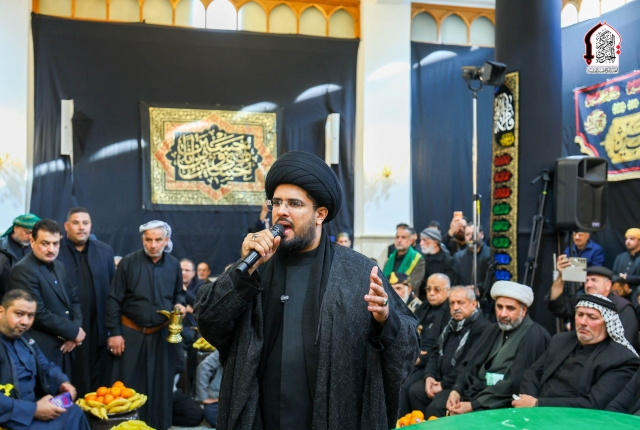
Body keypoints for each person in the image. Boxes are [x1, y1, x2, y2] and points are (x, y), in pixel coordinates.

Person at [194, 151, 420, 430]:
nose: (281, 211)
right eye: (277, 202)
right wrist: (242, 273)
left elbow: (409, 347)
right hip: (260, 418)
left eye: (294, 203)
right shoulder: (256, 267)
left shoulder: (358, 271)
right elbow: (208, 320)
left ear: (320, 214)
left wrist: (386, 320)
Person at [424, 281, 550, 417]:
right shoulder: (493, 329)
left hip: (502, 402)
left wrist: (473, 405)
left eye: (510, 308)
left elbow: (515, 383)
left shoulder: (535, 336)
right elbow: (470, 363)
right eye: (499, 307)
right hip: (476, 391)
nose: (503, 314)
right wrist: (457, 390)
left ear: (523, 310)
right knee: (437, 406)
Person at [105, 220, 186, 430]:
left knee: (161, 387)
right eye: (148, 240)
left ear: (166, 240)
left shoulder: (174, 265)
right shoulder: (128, 263)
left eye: (158, 240)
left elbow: (178, 294)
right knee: (128, 387)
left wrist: (180, 304)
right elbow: (113, 299)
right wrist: (114, 333)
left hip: (162, 336)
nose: (153, 244)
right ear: (143, 240)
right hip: (130, 334)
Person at [514, 294, 639, 410]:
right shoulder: (560, 340)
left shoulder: (621, 359)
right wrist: (529, 402)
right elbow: (532, 373)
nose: (583, 322)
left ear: (607, 323)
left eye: (592, 317)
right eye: (580, 314)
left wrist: (538, 403)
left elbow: (594, 404)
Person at [0, 289, 91, 429]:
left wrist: (62, 382)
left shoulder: (25, 340)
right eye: (19, 314)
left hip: (32, 405)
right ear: (1, 311)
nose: (25, 321)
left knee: (74, 412)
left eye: (30, 316)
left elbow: (46, 366)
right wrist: (34, 410)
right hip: (12, 415)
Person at [6, 220, 84, 376]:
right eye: (45, 243)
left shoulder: (59, 266)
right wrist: (73, 331)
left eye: (56, 244)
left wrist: (74, 333)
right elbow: (37, 313)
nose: (51, 249)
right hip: (39, 351)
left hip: (66, 347)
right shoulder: (22, 270)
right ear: (32, 241)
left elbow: (74, 300)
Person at [57, 207, 115, 396]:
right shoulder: (55, 251)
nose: (81, 227)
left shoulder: (105, 251)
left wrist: (113, 331)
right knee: (68, 386)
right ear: (66, 226)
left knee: (98, 388)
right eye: (76, 223)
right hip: (65, 335)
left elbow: (113, 293)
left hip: (98, 332)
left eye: (85, 223)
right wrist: (67, 331)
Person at [406, 286, 490, 414]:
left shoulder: (482, 328)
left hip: (461, 383)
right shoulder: (451, 324)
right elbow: (435, 352)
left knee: (436, 407)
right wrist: (429, 376)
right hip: (440, 378)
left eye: (460, 303)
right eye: (452, 303)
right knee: (415, 391)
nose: (455, 307)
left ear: (473, 304)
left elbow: (469, 364)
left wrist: (443, 384)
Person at [548, 263, 638, 349]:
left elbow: (624, 344)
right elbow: (556, 306)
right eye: (586, 280)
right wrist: (561, 276)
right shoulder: (580, 302)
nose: (588, 285)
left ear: (608, 285)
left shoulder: (622, 307)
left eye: (594, 280)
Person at [398, 274, 451, 415]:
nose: (431, 293)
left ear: (447, 291)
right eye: (428, 289)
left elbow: (443, 346)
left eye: (437, 289)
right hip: (412, 357)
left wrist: (420, 359)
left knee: (406, 385)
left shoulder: (450, 311)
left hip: (430, 363)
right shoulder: (423, 307)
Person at [0, 214, 41, 294]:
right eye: (28, 232)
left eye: (33, 234)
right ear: (16, 228)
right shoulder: (2, 248)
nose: (30, 237)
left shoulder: (35, 249)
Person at [419, 228, 458, 301]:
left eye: (424, 240)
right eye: (421, 240)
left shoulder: (449, 261)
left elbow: (448, 284)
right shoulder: (421, 259)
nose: (421, 243)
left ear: (435, 242)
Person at [383, 225, 425, 293]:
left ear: (411, 240)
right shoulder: (389, 259)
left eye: (403, 237)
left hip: (406, 297)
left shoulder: (418, 259)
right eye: (397, 237)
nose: (399, 240)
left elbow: (413, 285)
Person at [454, 224, 491, 291]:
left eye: (474, 234)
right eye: (467, 234)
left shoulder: (491, 254)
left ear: (482, 235)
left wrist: (479, 288)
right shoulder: (458, 257)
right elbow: (456, 280)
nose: (471, 237)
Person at [195, 349, 224, 427]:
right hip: (219, 398)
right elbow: (203, 367)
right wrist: (204, 397)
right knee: (212, 415)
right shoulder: (227, 348)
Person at [612, 228, 640, 304]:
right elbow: (613, 274)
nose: (628, 241)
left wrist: (627, 278)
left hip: (636, 296)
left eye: (632, 239)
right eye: (626, 239)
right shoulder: (620, 257)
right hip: (619, 295)